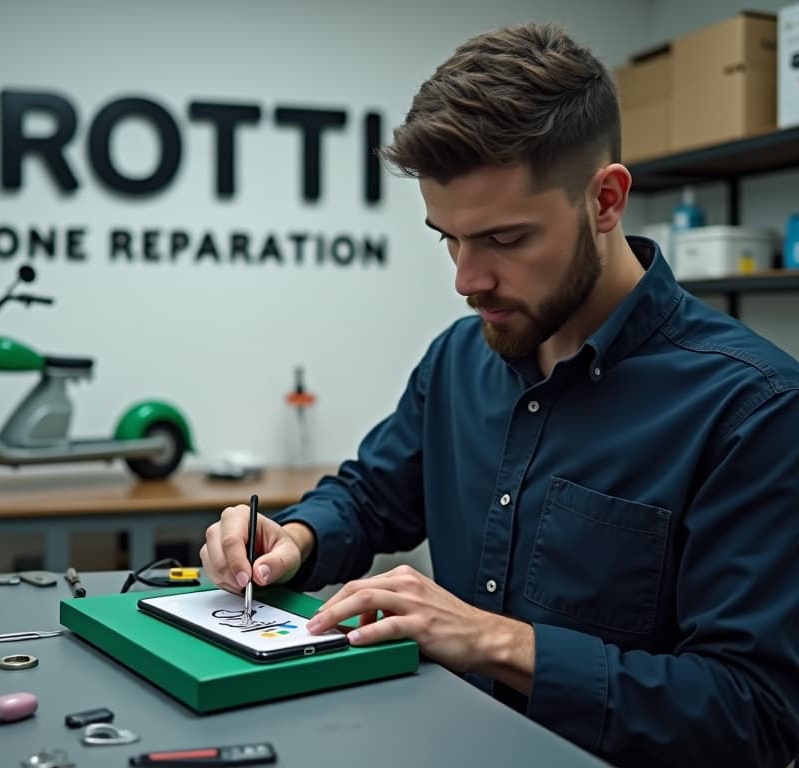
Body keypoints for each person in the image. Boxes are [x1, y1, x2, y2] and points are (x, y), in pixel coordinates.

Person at [199, 22, 799, 768]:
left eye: (505, 240)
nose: (465, 280)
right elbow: (369, 495)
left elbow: (755, 715)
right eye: (447, 237)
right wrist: (294, 539)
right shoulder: (458, 358)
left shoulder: (753, 409)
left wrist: (499, 642)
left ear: (605, 200)